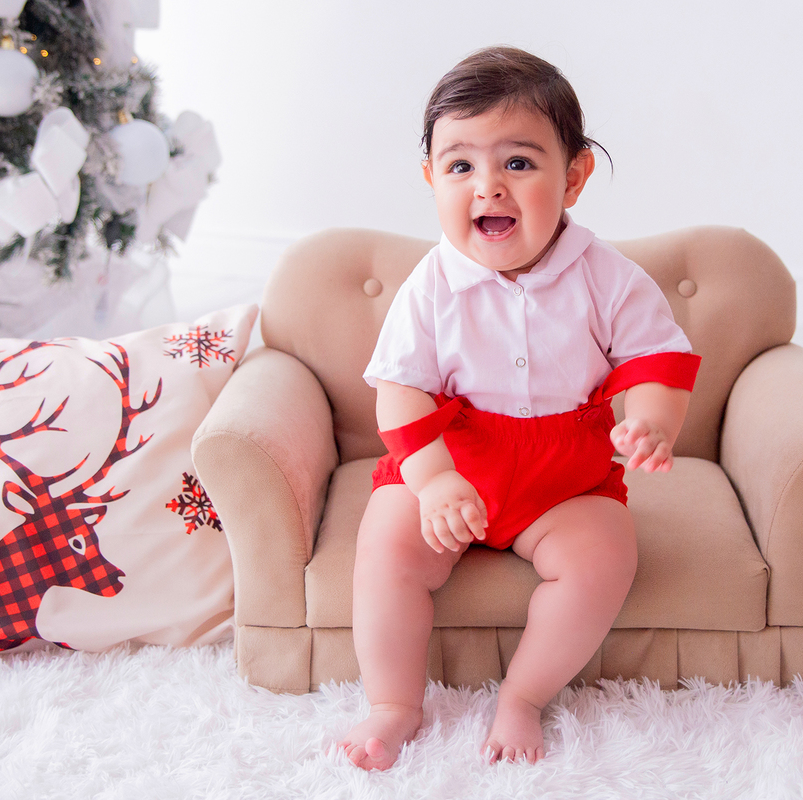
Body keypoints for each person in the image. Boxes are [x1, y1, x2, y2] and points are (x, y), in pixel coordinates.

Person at [338, 45, 701, 770]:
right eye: (461, 166)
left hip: (565, 478)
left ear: (573, 178)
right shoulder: (430, 285)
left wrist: (654, 422)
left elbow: (658, 360)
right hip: (453, 461)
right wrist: (433, 480)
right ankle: (393, 701)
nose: (488, 188)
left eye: (518, 163)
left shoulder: (606, 277)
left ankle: (525, 695)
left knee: (603, 558)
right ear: (431, 179)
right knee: (385, 549)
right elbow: (401, 391)